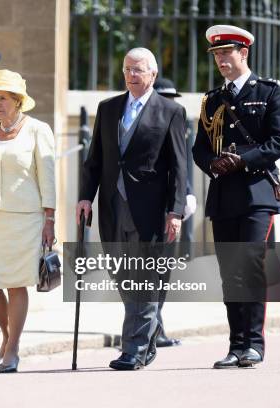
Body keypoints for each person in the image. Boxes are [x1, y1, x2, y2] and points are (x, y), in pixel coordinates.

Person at [77, 48, 187, 370]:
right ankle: (149, 336)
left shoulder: (170, 111)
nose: (131, 75)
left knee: (144, 277)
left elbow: (180, 167)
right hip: (113, 205)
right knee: (122, 274)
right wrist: (85, 196)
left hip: (150, 210)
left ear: (152, 74)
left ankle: (133, 350)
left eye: (138, 70)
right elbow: (94, 160)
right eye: (127, 69)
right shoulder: (108, 109)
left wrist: (176, 210)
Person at [192, 25, 280, 369]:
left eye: (226, 53)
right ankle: (236, 346)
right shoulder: (212, 100)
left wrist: (243, 159)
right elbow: (199, 148)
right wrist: (214, 163)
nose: (221, 60)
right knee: (230, 273)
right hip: (223, 195)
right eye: (217, 55)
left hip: (256, 195)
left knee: (250, 267)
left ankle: (254, 345)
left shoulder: (270, 92)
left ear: (243, 53)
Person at [0, 69, 56, 373]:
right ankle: (5, 336)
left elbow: (48, 178)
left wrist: (49, 219)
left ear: (17, 100)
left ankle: (13, 347)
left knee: (17, 284)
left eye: (3, 98)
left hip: (25, 219)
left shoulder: (38, 130)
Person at [152, 77, 198, 348]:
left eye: (170, 99)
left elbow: (180, 168)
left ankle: (156, 328)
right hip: (147, 212)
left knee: (162, 273)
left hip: (170, 214)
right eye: (164, 98)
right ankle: (148, 329)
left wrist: (185, 198)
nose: (168, 103)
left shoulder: (175, 125)